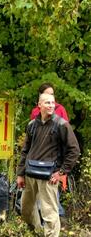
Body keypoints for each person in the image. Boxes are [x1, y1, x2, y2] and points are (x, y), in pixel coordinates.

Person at [17, 93, 80, 237]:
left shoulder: (62, 125)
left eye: (52, 103)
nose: (51, 105)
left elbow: (74, 150)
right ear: (39, 105)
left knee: (50, 215)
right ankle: (38, 233)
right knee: (26, 210)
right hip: (30, 175)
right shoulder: (32, 125)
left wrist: (62, 172)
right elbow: (25, 150)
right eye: (47, 103)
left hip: (49, 177)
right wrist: (20, 174)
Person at [29, 82, 69, 217]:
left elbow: (67, 137)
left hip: (55, 158)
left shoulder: (60, 110)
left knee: (52, 191)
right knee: (40, 194)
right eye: (47, 95)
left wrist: (62, 165)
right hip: (38, 160)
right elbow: (33, 136)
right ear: (40, 98)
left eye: (52, 95)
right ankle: (43, 220)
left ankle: (56, 219)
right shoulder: (35, 112)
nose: (51, 100)